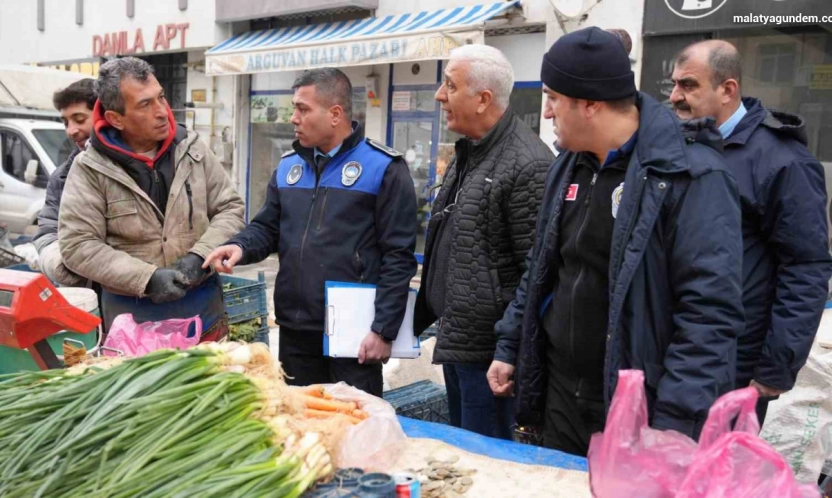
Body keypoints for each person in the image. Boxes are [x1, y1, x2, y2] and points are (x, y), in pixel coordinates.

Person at [488, 27, 744, 456]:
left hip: (639, 407)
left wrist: (676, 423)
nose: (546, 112)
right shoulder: (567, 166)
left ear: (589, 105)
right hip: (561, 394)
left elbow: (709, 313)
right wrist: (511, 344)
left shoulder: (691, 175)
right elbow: (542, 265)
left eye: (553, 98)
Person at [203, 68, 417, 397]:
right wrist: (240, 247)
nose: (293, 118)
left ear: (335, 114)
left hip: (353, 334)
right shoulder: (289, 167)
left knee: (353, 429)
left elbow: (398, 257)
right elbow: (267, 227)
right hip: (295, 329)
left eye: (303, 109)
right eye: (294, 108)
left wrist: (383, 330)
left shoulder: (383, 168)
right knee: (300, 424)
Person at [670, 40, 832, 423]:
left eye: (689, 85)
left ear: (728, 89)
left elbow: (806, 267)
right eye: (674, 85)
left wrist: (776, 366)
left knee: (716, 474)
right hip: (681, 347)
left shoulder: (782, 162)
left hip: (735, 361)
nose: (676, 96)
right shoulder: (683, 147)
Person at [413, 45, 554, 440]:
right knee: (464, 450)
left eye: (449, 85)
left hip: (489, 360)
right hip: (459, 342)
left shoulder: (528, 164)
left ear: (483, 99)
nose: (440, 96)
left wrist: (507, 351)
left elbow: (537, 272)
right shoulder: (470, 151)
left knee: (484, 456)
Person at [58, 57, 245, 341]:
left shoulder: (192, 148)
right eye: (145, 104)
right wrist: (146, 278)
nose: (162, 112)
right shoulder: (90, 168)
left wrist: (200, 256)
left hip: (203, 308)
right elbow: (78, 245)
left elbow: (230, 208)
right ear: (115, 119)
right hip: (133, 321)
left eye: (161, 98)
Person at [33, 78, 96, 287]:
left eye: (79, 119)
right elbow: (47, 233)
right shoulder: (61, 178)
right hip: (84, 297)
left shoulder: (136, 166)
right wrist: (61, 264)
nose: (71, 131)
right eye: (66, 122)